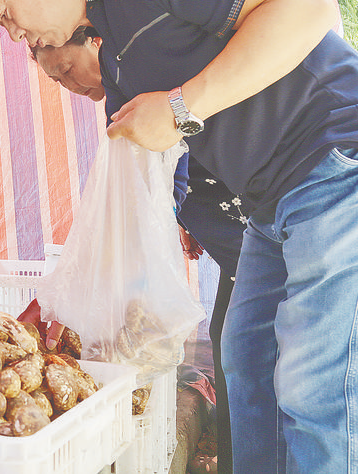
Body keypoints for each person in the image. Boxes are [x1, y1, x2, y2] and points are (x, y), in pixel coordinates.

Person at [0, 0, 358, 473]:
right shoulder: (114, 54)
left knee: (322, 388)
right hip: (271, 196)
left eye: (7, 17)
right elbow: (134, 190)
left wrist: (181, 107)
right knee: (248, 362)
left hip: (345, 156)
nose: (16, 36)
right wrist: (74, 298)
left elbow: (305, 8)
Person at [31, 29, 241, 474]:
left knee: (245, 351)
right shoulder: (119, 96)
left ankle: (247, 456)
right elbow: (153, 184)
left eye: (67, 68)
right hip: (233, 247)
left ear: (96, 41)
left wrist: (173, 214)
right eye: (56, 80)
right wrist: (182, 217)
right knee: (231, 346)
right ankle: (236, 457)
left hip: (257, 232)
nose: (69, 85)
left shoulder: (144, 71)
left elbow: (171, 161)